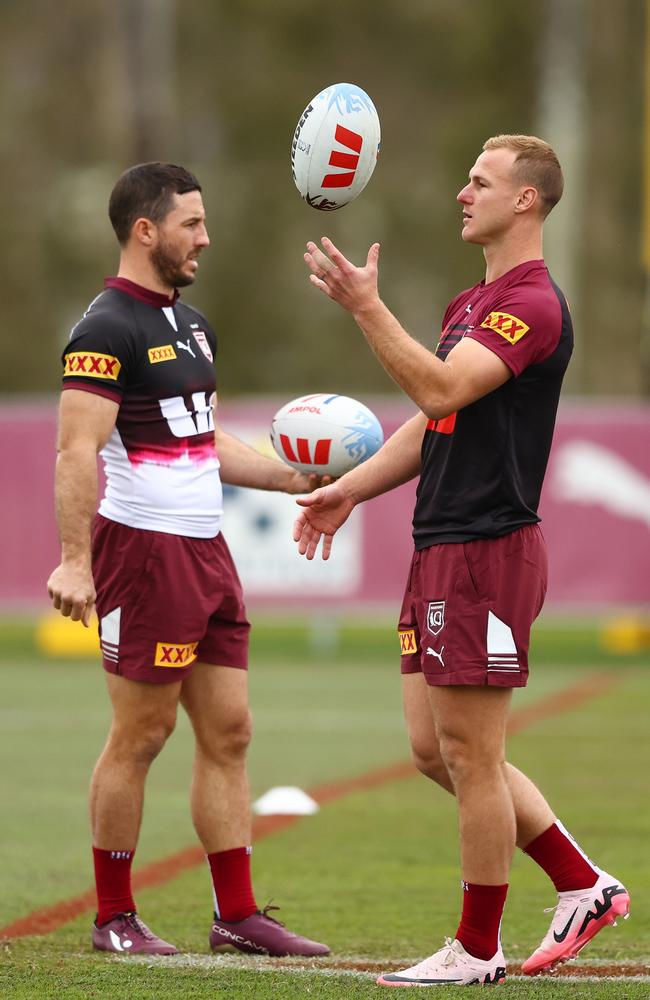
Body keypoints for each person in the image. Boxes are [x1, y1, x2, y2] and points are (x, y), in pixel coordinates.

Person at [294, 135, 629, 986]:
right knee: (431, 748)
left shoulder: (533, 304)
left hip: (488, 547)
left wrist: (367, 309)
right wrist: (349, 491)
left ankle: (477, 949)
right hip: (439, 543)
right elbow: (431, 420)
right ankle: (582, 883)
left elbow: (440, 389)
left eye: (479, 181)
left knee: (473, 755)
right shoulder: (469, 303)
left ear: (526, 201)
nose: (461, 192)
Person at [47, 161, 329, 959]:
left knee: (231, 731)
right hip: (142, 553)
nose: (205, 237)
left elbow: (201, 443)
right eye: (191, 224)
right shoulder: (105, 328)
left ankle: (235, 915)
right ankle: (113, 919)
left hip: (207, 553)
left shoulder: (193, 324)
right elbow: (77, 449)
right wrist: (76, 562)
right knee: (141, 734)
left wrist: (292, 477)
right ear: (147, 230)